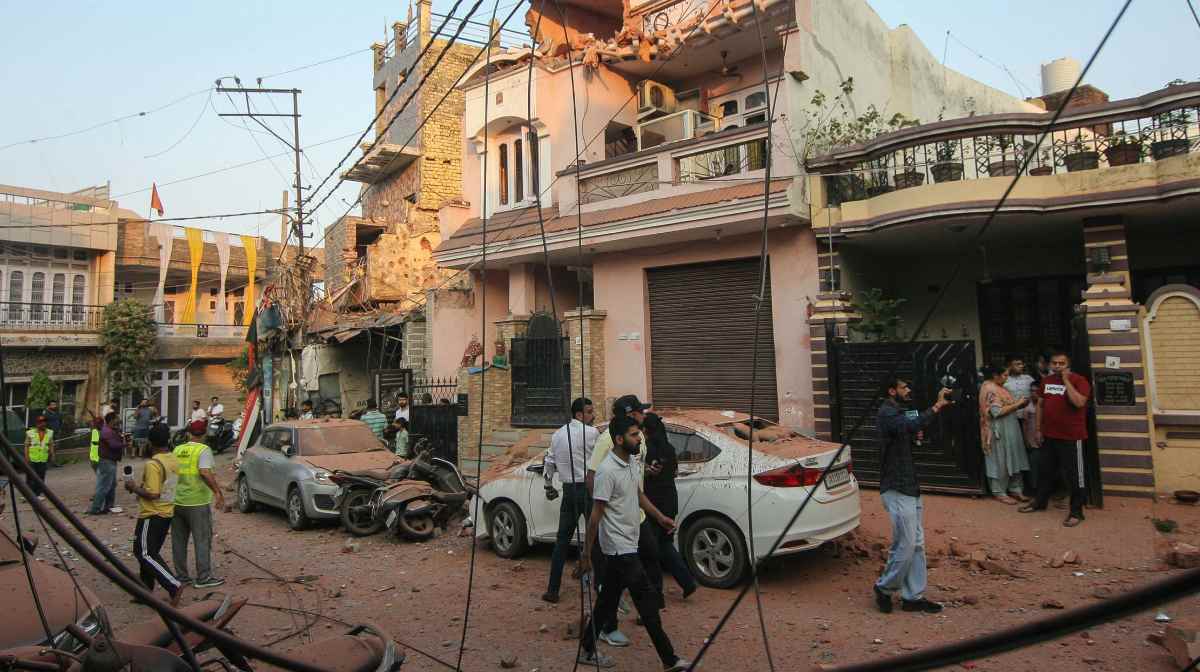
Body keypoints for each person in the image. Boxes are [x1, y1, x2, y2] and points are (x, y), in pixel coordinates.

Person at [578, 416, 690, 671]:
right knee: (647, 602)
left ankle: (586, 648)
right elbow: (596, 516)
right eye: (633, 435)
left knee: (607, 601)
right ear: (619, 440)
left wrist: (660, 518)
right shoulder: (607, 471)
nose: (639, 438)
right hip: (618, 547)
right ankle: (669, 660)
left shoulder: (631, 462)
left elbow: (637, 495)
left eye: (638, 434)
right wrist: (586, 554)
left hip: (631, 539)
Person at [874, 379, 952, 615]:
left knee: (917, 544)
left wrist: (928, 414)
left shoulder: (900, 411)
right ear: (891, 390)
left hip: (910, 485)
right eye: (904, 387)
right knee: (905, 544)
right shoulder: (887, 413)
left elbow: (913, 420)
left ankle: (913, 597)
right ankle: (884, 588)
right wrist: (937, 406)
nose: (909, 390)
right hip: (897, 486)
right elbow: (910, 423)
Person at [585, 394, 657, 647]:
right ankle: (611, 625)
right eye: (638, 411)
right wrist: (604, 510)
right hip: (617, 520)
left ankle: (626, 604)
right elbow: (593, 475)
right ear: (628, 414)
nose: (643, 414)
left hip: (636, 514)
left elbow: (633, 470)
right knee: (617, 572)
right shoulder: (608, 440)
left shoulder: (637, 437)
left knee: (649, 556)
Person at [1019, 351, 1091, 527]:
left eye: (1062, 363)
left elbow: (1079, 402)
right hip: (1050, 435)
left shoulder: (1079, 381)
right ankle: (1039, 502)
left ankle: (1076, 512)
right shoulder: (1046, 381)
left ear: (1068, 365)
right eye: (1055, 363)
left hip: (1072, 437)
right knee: (1045, 472)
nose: (1058, 366)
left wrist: (1066, 381)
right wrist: (1038, 429)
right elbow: (1041, 405)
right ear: (1050, 364)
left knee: (1076, 476)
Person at [542, 397, 600, 604]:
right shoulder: (593, 434)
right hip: (588, 490)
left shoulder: (557, 435)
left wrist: (548, 487)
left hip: (568, 491)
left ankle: (552, 590)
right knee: (597, 539)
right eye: (590, 412)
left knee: (562, 542)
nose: (593, 415)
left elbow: (549, 462)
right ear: (579, 415)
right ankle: (600, 587)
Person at [124, 423, 184, 605]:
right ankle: (145, 590)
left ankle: (173, 585)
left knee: (143, 552)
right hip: (166, 512)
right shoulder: (172, 459)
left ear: (151, 442)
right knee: (150, 551)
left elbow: (153, 493)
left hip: (152, 513)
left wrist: (134, 487)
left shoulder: (153, 464)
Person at [641, 412, 698, 601]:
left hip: (653, 505)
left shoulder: (646, 449)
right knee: (664, 544)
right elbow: (673, 473)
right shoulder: (669, 449)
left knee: (651, 550)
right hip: (669, 501)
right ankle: (687, 582)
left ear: (646, 430)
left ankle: (655, 593)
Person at [172, 419, 228, 588]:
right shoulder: (204, 450)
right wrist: (217, 492)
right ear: (204, 433)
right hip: (196, 502)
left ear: (188, 432)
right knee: (202, 539)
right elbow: (204, 472)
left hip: (177, 501)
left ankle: (181, 577)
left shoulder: (178, 449)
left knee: (178, 542)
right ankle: (203, 577)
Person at [979, 366, 1031, 504]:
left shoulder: (1000, 387)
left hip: (1010, 427)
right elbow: (996, 412)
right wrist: (1018, 404)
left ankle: (1015, 488)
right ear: (995, 375)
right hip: (998, 430)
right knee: (999, 460)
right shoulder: (990, 389)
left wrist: (1019, 404)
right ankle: (999, 491)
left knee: (1015, 457)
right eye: (1005, 375)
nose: (1007, 378)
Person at [87, 412, 125, 515]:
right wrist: (124, 444)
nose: (119, 420)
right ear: (112, 420)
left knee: (111, 485)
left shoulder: (110, 430)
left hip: (110, 461)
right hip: (106, 461)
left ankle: (108, 506)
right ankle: (95, 508)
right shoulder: (107, 431)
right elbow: (113, 445)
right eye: (117, 418)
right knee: (104, 485)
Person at [24, 415, 54, 500]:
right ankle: (28, 495)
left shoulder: (50, 432)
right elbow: (26, 445)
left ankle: (37, 494)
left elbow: (51, 444)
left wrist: (52, 455)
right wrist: (26, 457)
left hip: (43, 458)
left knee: (41, 477)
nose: (43, 424)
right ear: (37, 424)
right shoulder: (30, 432)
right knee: (30, 477)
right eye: (40, 422)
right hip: (32, 458)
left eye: (44, 422)